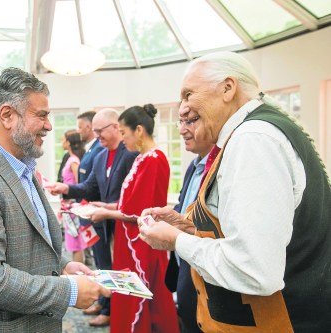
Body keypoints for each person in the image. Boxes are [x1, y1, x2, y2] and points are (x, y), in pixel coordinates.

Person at [138, 51, 331, 333]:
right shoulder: (257, 132)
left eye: (188, 94)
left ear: (228, 88)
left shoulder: (253, 139)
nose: (182, 110)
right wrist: (191, 228)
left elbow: (254, 270)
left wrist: (179, 241)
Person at [0, 67, 110, 332]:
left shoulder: (23, 168)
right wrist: (69, 291)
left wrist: (62, 265)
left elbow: (29, 242)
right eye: (41, 115)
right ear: (7, 115)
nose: (49, 126)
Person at [86, 104, 179, 333]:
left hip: (141, 242)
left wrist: (106, 213)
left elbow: (140, 211)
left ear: (139, 130)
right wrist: (105, 205)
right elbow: (131, 202)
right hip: (131, 240)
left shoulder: (154, 160)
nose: (123, 139)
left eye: (124, 133)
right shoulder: (141, 158)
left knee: (138, 296)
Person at [49, 108, 138, 327]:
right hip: (102, 225)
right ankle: (107, 306)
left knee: (121, 272)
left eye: (100, 132)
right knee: (104, 267)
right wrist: (66, 188)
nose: (96, 137)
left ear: (116, 127)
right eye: (95, 132)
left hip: (124, 227)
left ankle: (118, 312)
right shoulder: (99, 157)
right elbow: (89, 187)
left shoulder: (131, 155)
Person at [144, 104, 213, 333]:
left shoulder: (219, 169)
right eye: (180, 123)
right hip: (186, 272)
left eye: (190, 121)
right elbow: (189, 212)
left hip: (208, 279)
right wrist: (169, 217)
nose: (182, 130)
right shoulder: (193, 167)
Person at [60, 130, 86, 263]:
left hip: (72, 207)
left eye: (63, 140)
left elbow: (79, 182)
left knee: (76, 243)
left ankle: (79, 274)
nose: (62, 142)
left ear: (69, 143)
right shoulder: (70, 158)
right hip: (67, 206)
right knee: (73, 242)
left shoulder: (74, 161)